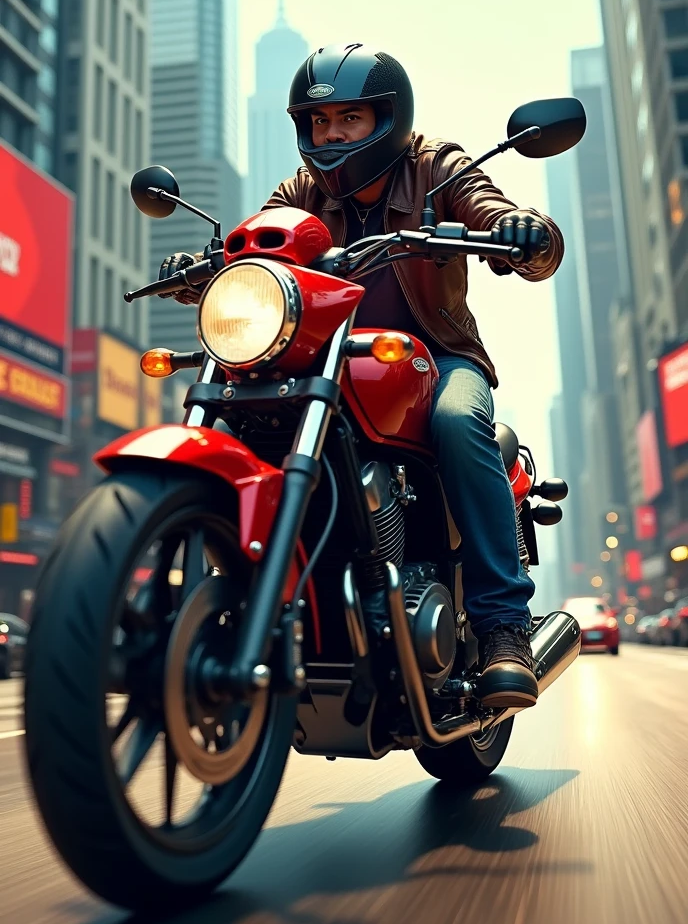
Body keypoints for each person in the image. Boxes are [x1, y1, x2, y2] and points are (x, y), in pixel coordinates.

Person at [158, 44, 564, 710]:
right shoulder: (301, 190)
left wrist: (521, 230)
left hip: (435, 362)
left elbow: (486, 205)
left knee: (462, 422)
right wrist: (209, 264)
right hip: (329, 365)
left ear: (388, 118)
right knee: (234, 410)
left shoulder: (436, 166)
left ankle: (501, 629)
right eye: (319, 123)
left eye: (349, 118)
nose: (332, 135)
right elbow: (262, 237)